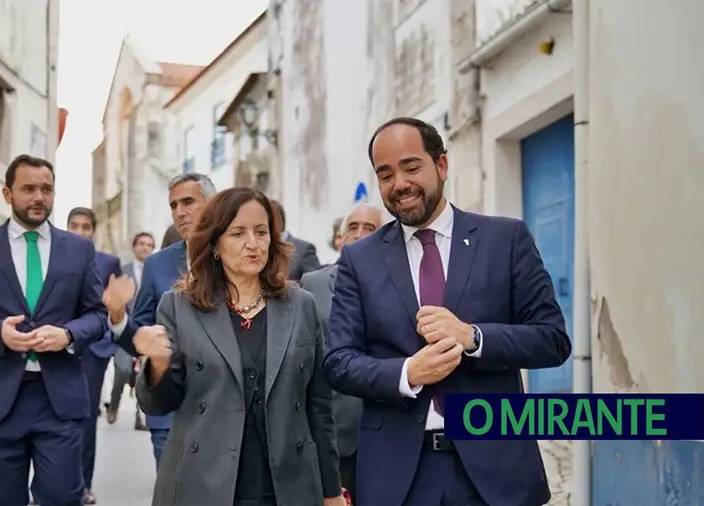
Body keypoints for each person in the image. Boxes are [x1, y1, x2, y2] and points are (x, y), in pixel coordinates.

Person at [323, 117, 571, 506]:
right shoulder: (359, 259)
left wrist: (474, 338)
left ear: (441, 165)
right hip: (399, 475)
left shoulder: (505, 239)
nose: (399, 183)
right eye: (385, 174)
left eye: (411, 167)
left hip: (495, 471)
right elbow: (338, 362)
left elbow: (553, 340)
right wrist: (407, 373)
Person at [132, 187, 346, 506]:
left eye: (261, 232)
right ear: (215, 244)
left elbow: (319, 408)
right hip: (204, 483)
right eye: (237, 233)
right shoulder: (179, 307)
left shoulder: (301, 306)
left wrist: (331, 491)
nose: (253, 244)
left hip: (287, 484)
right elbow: (159, 404)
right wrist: (158, 364)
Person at [0, 154, 106, 506]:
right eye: (28, 189)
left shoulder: (79, 250)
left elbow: (97, 314)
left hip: (58, 399)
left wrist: (68, 335)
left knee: (62, 498)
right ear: (7, 193)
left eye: (46, 189)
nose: (38, 197)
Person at [102, 172, 217, 470]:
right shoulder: (157, 264)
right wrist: (118, 318)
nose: (180, 212)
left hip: (225, 414)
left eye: (188, 202)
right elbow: (139, 338)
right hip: (170, 413)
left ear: (213, 203)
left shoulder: (234, 257)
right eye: (174, 205)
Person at [300, 203, 384, 505]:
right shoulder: (313, 284)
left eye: (369, 229)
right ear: (340, 237)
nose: (359, 235)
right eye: (352, 227)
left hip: (391, 430)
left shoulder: (403, 284)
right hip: (338, 434)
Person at [65, 206, 122, 505]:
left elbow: (118, 305)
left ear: (94, 231)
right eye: (74, 226)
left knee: (86, 422)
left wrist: (110, 345)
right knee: (49, 420)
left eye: (86, 227)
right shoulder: (53, 258)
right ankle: (45, 484)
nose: (80, 232)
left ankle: (83, 485)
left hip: (92, 352)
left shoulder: (109, 262)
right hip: (57, 349)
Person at [106, 231, 155, 428]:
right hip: (124, 328)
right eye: (142, 244)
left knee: (144, 374)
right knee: (123, 369)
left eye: (149, 245)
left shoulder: (154, 270)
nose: (145, 248)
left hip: (148, 329)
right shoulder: (123, 270)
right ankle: (114, 404)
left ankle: (140, 416)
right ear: (135, 246)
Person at [270, 200, 321, 280]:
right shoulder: (259, 248)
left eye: (269, 217)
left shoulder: (304, 250)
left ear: (280, 220)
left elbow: (315, 284)